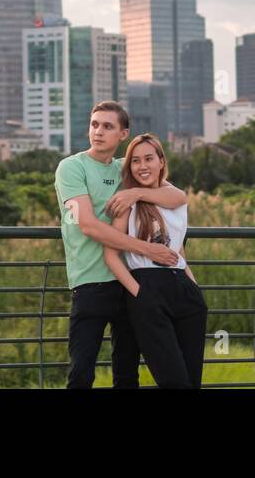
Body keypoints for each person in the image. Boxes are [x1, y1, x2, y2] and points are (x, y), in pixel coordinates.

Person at [55, 101, 187, 388]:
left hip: (129, 283)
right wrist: (148, 249)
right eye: (94, 124)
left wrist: (136, 192)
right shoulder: (71, 167)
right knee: (81, 373)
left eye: (107, 126)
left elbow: (178, 197)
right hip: (89, 283)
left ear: (123, 134)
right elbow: (88, 225)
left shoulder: (126, 169)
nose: (98, 132)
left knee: (127, 374)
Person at [102, 133, 207, 389]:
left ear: (161, 161)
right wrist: (139, 293)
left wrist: (193, 287)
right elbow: (110, 254)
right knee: (173, 381)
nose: (142, 166)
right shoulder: (127, 202)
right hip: (147, 289)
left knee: (192, 381)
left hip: (184, 290)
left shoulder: (174, 197)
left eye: (149, 158)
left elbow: (179, 249)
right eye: (135, 161)